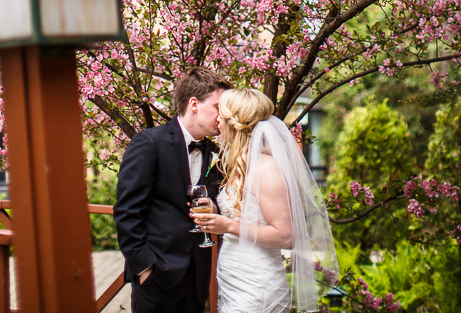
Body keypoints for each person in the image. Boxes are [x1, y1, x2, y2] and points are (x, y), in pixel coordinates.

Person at [190, 87, 339, 313]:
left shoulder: (266, 168)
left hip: (257, 284)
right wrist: (216, 211)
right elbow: (247, 214)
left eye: (222, 112)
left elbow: (286, 236)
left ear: (235, 122)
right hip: (234, 281)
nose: (217, 119)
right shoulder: (241, 164)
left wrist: (228, 225)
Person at [114, 67, 231, 313]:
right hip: (157, 276)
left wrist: (214, 207)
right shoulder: (149, 142)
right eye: (218, 107)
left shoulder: (216, 154)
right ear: (194, 104)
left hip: (197, 279)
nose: (224, 117)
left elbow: (220, 201)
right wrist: (145, 268)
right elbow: (126, 211)